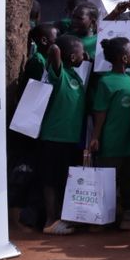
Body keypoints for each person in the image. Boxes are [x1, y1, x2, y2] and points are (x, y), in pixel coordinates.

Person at [89, 36, 130, 231]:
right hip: (112, 141)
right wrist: (95, 137)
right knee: (108, 180)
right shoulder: (106, 82)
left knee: (129, 180)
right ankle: (102, 216)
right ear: (124, 58)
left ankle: (128, 215)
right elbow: (100, 112)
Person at [39, 34, 87, 235]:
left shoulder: (75, 74)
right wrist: (57, 46)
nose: (84, 54)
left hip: (70, 138)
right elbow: (55, 51)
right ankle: (50, 220)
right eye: (80, 52)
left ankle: (62, 217)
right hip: (53, 137)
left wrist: (80, 55)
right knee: (50, 179)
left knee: (63, 179)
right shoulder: (58, 73)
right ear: (72, 57)